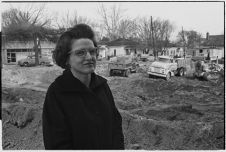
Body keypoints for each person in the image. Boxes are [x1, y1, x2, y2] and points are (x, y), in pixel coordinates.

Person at [42, 24, 124, 150]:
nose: (89, 57)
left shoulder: (103, 86)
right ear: (67, 59)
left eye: (92, 51)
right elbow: (57, 144)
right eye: (80, 53)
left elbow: (116, 127)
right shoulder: (57, 93)